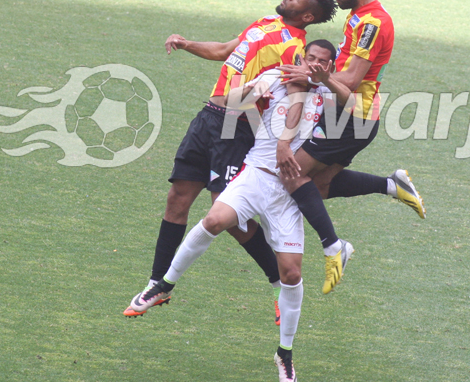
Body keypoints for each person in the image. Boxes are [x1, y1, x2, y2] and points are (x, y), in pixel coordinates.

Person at [129, 41, 341, 382]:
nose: (312, 65)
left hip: (288, 191)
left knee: (291, 275)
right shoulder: (276, 77)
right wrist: (259, 88)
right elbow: (229, 101)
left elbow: (358, 107)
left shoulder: (330, 94)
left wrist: (318, 84)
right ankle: (164, 285)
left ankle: (284, 354)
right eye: (309, 58)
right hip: (256, 174)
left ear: (329, 67)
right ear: (301, 58)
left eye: (321, 63)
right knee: (215, 219)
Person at [124, 0, 338, 318]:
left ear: (308, 15)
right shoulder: (264, 23)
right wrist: (187, 43)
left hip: (237, 126)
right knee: (177, 198)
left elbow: (293, 96)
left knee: (225, 215)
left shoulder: (294, 49)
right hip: (208, 118)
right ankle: (157, 283)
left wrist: (279, 138)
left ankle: (278, 284)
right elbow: (226, 50)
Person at [276, 0, 426, 296]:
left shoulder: (372, 24)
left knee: (291, 173)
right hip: (350, 115)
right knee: (321, 186)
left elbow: (353, 77)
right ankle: (392, 186)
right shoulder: (360, 17)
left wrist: (309, 76)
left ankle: (333, 247)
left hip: (352, 117)